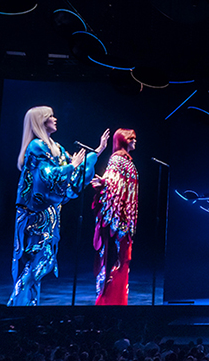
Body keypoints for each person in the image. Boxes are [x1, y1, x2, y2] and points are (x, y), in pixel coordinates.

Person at [8, 106, 110, 306]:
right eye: (50, 117)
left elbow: (74, 173)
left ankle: (28, 303)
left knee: (43, 261)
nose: (55, 119)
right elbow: (46, 175)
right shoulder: (36, 147)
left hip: (51, 214)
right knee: (38, 260)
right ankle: (18, 303)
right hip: (35, 215)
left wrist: (98, 150)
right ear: (41, 122)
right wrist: (72, 166)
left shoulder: (57, 148)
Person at [91, 129, 139, 305]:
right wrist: (103, 183)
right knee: (116, 259)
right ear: (124, 140)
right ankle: (109, 301)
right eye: (131, 138)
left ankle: (116, 300)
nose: (134, 141)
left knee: (122, 260)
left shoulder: (126, 161)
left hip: (125, 218)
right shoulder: (117, 159)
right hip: (117, 221)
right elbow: (112, 182)